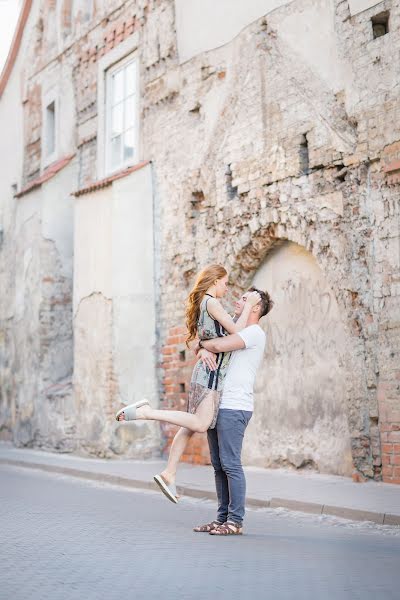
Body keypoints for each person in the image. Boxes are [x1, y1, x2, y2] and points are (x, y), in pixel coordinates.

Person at [115, 264, 261, 503]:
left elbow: (192, 337)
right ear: (215, 281)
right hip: (210, 376)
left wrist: (200, 348)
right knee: (200, 424)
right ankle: (146, 412)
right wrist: (249, 303)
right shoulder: (212, 302)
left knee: (190, 425)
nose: (226, 287)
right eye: (225, 282)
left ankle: (169, 473)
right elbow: (237, 331)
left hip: (205, 371)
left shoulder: (201, 304)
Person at [193, 287, 273, 536]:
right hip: (219, 403)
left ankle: (235, 521)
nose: (237, 302)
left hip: (235, 406)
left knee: (230, 464)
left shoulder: (254, 332)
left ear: (256, 307)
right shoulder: (237, 329)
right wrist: (202, 347)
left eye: (244, 299)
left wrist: (203, 345)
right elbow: (210, 344)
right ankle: (221, 519)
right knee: (218, 465)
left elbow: (217, 345)